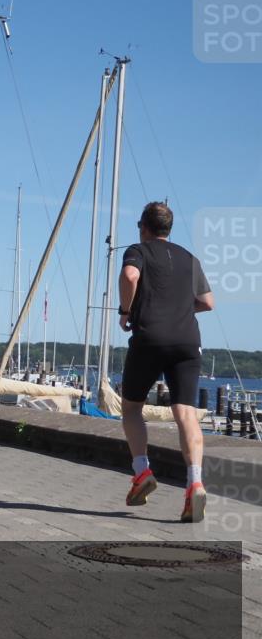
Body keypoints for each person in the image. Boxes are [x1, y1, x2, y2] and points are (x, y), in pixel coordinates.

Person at [117, 201, 214, 522]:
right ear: (168, 229)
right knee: (186, 414)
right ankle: (195, 483)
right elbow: (207, 302)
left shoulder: (138, 250)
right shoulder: (190, 259)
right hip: (188, 340)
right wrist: (180, 311)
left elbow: (130, 276)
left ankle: (142, 473)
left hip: (150, 338)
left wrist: (126, 311)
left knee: (131, 407)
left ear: (144, 227)